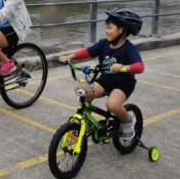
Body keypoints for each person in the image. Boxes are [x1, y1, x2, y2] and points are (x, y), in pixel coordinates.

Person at [58, 8, 145, 141]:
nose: (106, 30)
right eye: (106, 28)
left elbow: (140, 67)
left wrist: (124, 67)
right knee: (85, 92)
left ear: (121, 30)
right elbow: (87, 51)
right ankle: (87, 122)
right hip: (105, 80)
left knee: (112, 105)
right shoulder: (103, 44)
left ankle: (127, 120)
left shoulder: (129, 49)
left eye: (110, 28)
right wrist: (70, 56)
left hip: (123, 83)